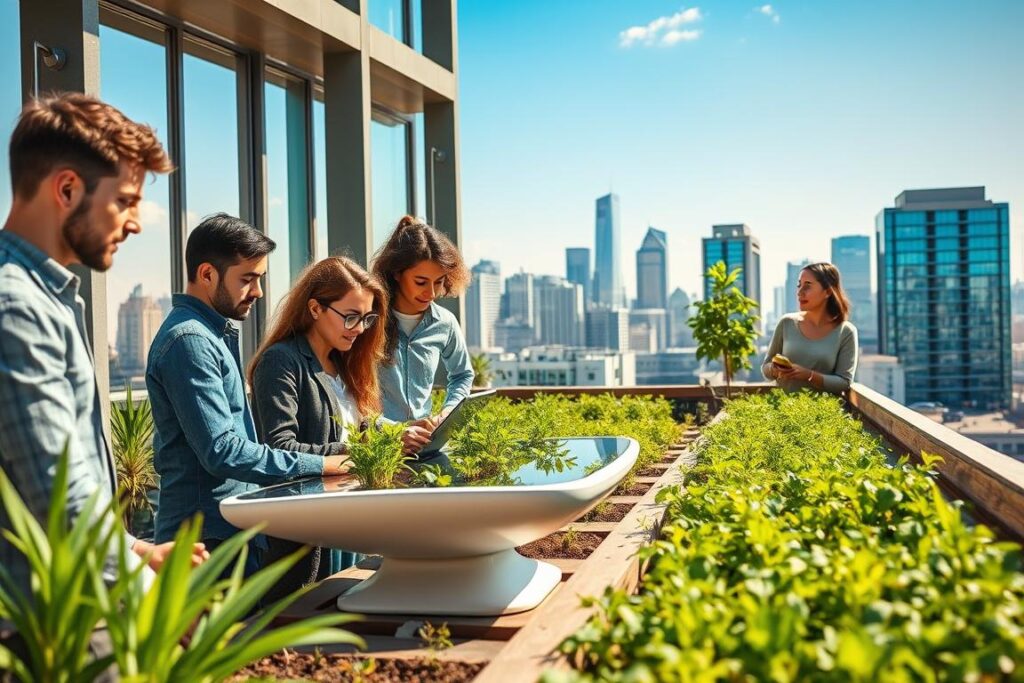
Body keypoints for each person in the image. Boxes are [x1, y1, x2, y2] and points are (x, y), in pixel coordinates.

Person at [0, 93, 206, 665]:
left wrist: (138, 549)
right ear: (66, 190)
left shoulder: (50, 299)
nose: (137, 221)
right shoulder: (15, 308)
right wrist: (153, 605)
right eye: (125, 201)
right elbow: (57, 498)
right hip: (47, 634)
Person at [146, 214, 349, 573]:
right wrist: (321, 465)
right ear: (207, 274)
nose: (257, 292)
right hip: (204, 545)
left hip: (226, 535)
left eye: (260, 279)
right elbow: (223, 451)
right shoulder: (190, 341)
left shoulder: (212, 336)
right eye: (248, 279)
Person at [248, 256, 412, 599]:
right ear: (314, 308)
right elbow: (280, 448)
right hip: (305, 535)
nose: (359, 328)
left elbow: (358, 426)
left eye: (367, 318)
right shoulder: (281, 361)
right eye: (350, 316)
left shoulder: (344, 362)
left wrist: (401, 434)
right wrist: (357, 453)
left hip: (346, 524)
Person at [370, 216, 474, 439]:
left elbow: (463, 374)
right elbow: (348, 392)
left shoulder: (444, 323)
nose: (432, 293)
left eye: (438, 281)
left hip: (425, 444)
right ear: (397, 273)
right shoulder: (369, 319)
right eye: (420, 282)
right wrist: (394, 431)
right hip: (377, 446)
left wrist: (449, 411)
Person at [762, 262, 859, 394]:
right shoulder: (787, 323)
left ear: (827, 292)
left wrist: (809, 375)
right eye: (799, 285)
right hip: (783, 409)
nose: (800, 292)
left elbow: (844, 382)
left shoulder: (846, 332)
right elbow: (765, 368)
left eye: (807, 286)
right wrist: (774, 369)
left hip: (824, 412)